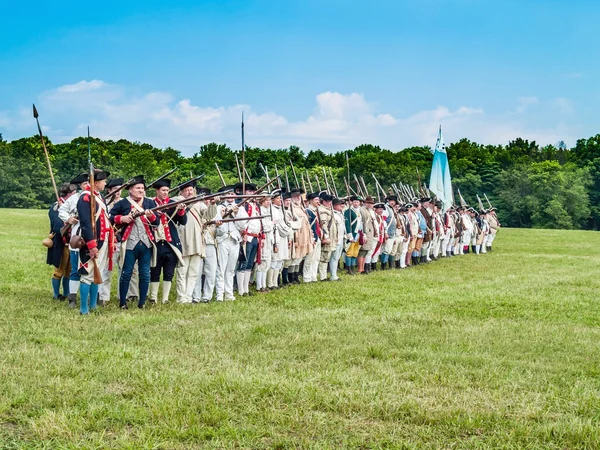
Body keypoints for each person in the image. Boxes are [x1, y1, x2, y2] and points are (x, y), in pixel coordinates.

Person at [110, 175, 160, 309]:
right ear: (130, 190)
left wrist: (152, 216)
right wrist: (122, 218)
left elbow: (157, 222)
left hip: (146, 243)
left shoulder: (149, 203)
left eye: (142, 188)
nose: (141, 190)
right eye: (138, 188)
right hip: (129, 242)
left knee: (144, 273)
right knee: (126, 272)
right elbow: (111, 218)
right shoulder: (122, 203)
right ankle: (122, 302)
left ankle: (142, 302)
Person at [76, 169, 113, 315]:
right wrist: (91, 245)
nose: (105, 183)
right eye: (103, 181)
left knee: (97, 273)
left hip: (103, 239)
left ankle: (93, 306)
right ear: (96, 183)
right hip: (92, 241)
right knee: (87, 274)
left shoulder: (98, 197)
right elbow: (85, 223)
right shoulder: (86, 198)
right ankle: (84, 308)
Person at [148, 178, 187, 304]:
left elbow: (183, 221)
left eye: (167, 190)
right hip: (156, 241)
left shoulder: (172, 203)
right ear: (157, 191)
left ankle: (165, 299)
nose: (165, 192)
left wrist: (180, 210)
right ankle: (153, 298)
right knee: (155, 270)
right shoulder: (150, 203)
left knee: (169, 272)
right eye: (163, 190)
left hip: (170, 242)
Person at [172, 179, 206, 304]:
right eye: (186, 190)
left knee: (193, 273)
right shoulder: (176, 201)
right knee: (182, 271)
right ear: (181, 192)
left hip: (197, 241)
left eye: (191, 190)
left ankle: (188, 296)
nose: (189, 192)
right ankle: (181, 297)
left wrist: (213, 205)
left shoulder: (200, 203)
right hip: (182, 239)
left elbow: (208, 215)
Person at [58, 172, 89, 309]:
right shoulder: (75, 198)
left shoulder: (98, 197)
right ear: (81, 186)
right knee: (75, 270)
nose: (88, 185)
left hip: (93, 238)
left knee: (92, 270)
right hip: (77, 238)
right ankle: (72, 298)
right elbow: (61, 210)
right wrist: (69, 219)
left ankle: (93, 298)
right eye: (85, 183)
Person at [214, 188, 248, 301]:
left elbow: (242, 226)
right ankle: (219, 294)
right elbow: (215, 226)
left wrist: (236, 214)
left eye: (232, 193)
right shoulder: (218, 208)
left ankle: (229, 294)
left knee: (231, 269)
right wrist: (220, 221)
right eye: (228, 194)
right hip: (222, 240)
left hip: (234, 239)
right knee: (221, 268)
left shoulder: (240, 208)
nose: (230, 196)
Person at [47, 182, 77, 301]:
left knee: (69, 270)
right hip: (60, 242)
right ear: (68, 194)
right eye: (73, 193)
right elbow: (56, 226)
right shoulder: (56, 207)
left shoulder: (71, 206)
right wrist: (68, 221)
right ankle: (56, 294)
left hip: (72, 242)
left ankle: (66, 293)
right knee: (59, 269)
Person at [237, 183, 261, 296]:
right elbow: (242, 221)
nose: (251, 193)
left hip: (255, 236)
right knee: (243, 262)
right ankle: (241, 289)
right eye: (249, 191)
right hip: (247, 236)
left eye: (252, 192)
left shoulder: (255, 205)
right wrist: (244, 233)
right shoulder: (243, 205)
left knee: (250, 264)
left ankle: (246, 288)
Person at [268, 189, 292, 289]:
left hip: (282, 236)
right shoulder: (271, 209)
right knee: (274, 260)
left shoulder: (280, 209)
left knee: (279, 260)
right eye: (277, 198)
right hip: (276, 235)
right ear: (272, 200)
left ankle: (275, 283)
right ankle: (270, 283)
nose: (280, 200)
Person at [288, 188, 312, 283]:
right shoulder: (291, 207)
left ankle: (296, 275)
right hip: (296, 234)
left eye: (299, 196)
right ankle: (291, 276)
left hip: (304, 234)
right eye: (296, 196)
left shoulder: (300, 207)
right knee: (294, 256)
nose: (298, 197)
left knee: (300, 256)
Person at [303, 192, 322, 283]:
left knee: (316, 259)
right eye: (316, 200)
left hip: (318, 237)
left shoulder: (316, 210)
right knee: (309, 259)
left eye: (318, 200)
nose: (318, 201)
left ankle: (313, 276)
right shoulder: (308, 211)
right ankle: (307, 277)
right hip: (312, 238)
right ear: (311, 200)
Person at [317, 192, 336, 281]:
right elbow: (324, 225)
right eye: (328, 201)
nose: (330, 203)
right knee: (323, 258)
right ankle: (323, 277)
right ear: (323, 201)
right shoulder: (322, 210)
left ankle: (324, 275)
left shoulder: (327, 209)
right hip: (326, 237)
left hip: (330, 237)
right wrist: (326, 237)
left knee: (326, 257)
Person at [344, 195, 362, 275]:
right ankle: (349, 269)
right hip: (352, 234)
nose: (356, 203)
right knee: (349, 252)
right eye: (354, 202)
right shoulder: (348, 211)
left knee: (355, 252)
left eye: (357, 202)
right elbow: (347, 224)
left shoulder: (359, 212)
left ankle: (352, 267)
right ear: (351, 202)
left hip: (358, 233)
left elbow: (361, 224)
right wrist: (349, 235)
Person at [329, 197, 345, 280]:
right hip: (336, 239)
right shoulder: (333, 214)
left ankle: (334, 274)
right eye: (339, 204)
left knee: (337, 258)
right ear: (334, 206)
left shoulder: (340, 214)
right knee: (334, 258)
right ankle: (333, 275)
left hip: (341, 238)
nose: (341, 206)